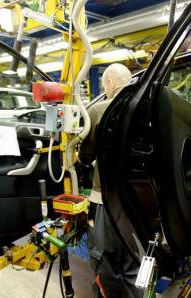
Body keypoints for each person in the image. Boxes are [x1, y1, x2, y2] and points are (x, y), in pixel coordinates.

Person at [78, 63, 142, 298]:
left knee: (105, 264)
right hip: (141, 206)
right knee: (135, 264)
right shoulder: (146, 109)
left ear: (110, 84)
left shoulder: (100, 109)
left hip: (106, 202)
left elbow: (85, 157)